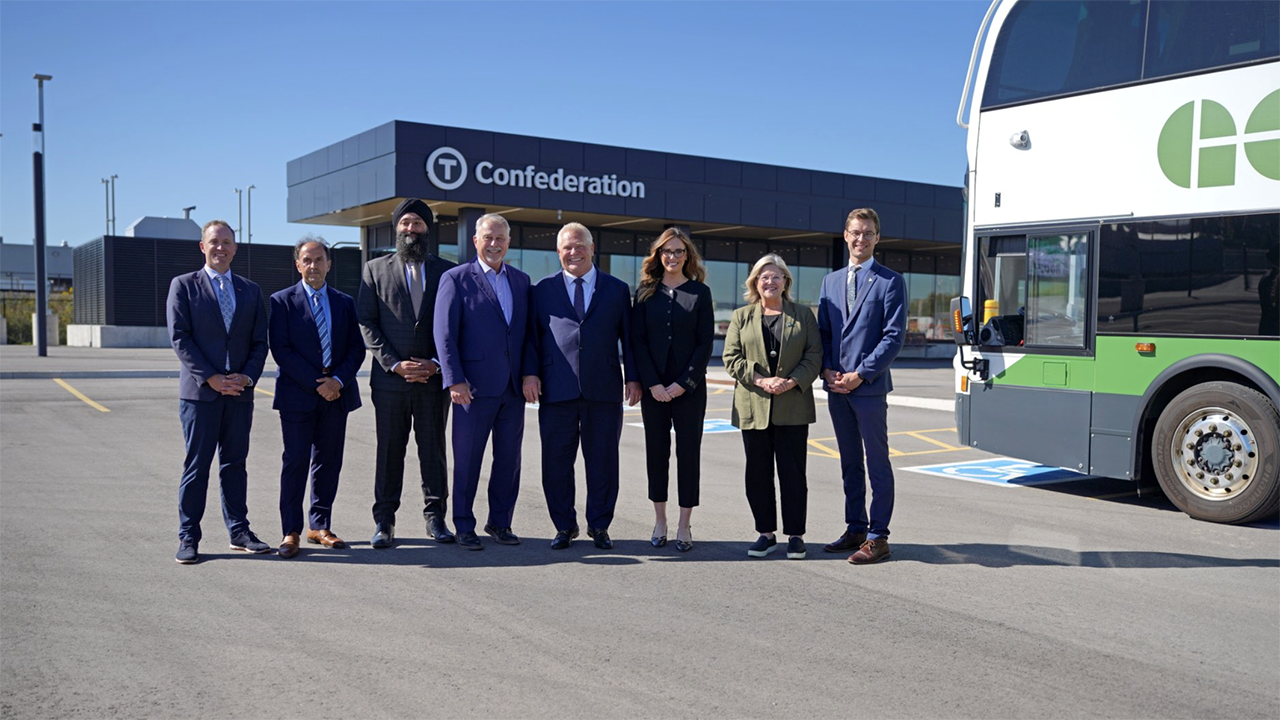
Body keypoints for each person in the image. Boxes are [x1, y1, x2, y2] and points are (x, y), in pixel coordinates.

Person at [524, 222, 641, 550]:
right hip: (555, 389)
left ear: (592, 249)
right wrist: (530, 374)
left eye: (579, 246)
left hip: (603, 390)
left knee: (603, 461)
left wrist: (633, 377)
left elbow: (629, 339)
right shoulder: (542, 289)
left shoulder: (616, 289)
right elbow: (531, 339)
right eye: (566, 247)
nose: (573, 252)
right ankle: (564, 526)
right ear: (558, 252)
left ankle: (600, 526)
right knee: (556, 463)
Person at [166, 220, 271, 564]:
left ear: (235, 248)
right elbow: (180, 338)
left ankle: (239, 531)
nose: (220, 248)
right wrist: (210, 377)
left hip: (239, 394)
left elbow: (259, 342)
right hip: (201, 395)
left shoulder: (250, 291)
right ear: (202, 246)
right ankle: (188, 536)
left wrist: (247, 377)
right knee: (197, 467)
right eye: (214, 242)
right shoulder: (183, 286)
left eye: (227, 242)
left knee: (235, 465)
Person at [356, 198, 457, 549]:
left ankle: (436, 519)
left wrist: (437, 364)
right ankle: (384, 521)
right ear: (395, 227)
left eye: (417, 223)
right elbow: (366, 321)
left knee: (433, 452)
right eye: (405, 223)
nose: (411, 229)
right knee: (389, 452)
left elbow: (455, 326)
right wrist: (395, 364)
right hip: (390, 382)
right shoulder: (374, 270)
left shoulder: (448, 272)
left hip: (432, 381)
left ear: (427, 229)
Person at [433, 214, 531, 551]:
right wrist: (454, 380)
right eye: (488, 237)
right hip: (471, 390)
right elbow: (444, 336)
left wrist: (530, 373)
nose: (494, 244)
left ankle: (500, 522)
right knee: (468, 460)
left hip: (512, 389)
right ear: (476, 241)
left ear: (508, 241)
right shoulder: (456, 278)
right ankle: (463, 524)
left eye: (500, 238)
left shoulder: (521, 280)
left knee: (508, 461)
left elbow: (527, 334)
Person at [817, 207, 906, 565]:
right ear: (845, 235)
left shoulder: (890, 281)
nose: (861, 239)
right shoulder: (830, 282)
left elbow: (893, 337)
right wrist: (826, 370)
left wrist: (861, 373)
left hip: (867, 388)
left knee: (877, 463)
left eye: (868, 233)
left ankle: (878, 536)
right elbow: (824, 332)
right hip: (837, 388)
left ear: (877, 238)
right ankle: (855, 527)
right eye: (856, 232)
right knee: (850, 462)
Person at [268, 236, 365, 559]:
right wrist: (318, 383)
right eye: (306, 260)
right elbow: (282, 350)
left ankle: (319, 525)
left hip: (337, 396)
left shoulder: (344, 302)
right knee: (295, 462)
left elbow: (356, 348)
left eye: (319, 259)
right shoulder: (281, 301)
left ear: (329, 264)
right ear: (298, 265)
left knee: (328, 462)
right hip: (298, 397)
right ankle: (291, 530)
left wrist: (337, 380)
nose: (313, 266)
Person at [722, 254, 822, 560]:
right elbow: (731, 357)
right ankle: (765, 533)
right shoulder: (741, 317)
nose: (770, 282)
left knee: (793, 473)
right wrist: (762, 381)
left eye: (776, 276)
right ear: (755, 282)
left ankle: (795, 535)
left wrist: (790, 382)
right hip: (754, 405)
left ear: (786, 282)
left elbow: (814, 354)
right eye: (764, 277)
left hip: (793, 406)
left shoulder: (803, 315)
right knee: (758, 473)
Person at [631, 228, 714, 552]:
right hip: (655, 390)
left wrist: (683, 384)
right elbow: (637, 341)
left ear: (687, 255)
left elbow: (705, 343)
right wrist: (653, 384)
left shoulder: (700, 293)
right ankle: (660, 520)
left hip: (689, 390)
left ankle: (683, 524)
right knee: (657, 454)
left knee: (688, 455)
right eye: (667, 251)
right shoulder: (645, 292)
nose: (673, 257)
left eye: (679, 251)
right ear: (658, 255)